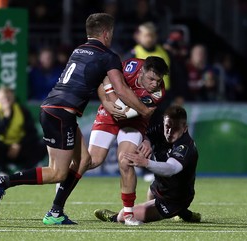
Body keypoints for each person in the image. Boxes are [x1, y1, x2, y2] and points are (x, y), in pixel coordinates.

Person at [0, 13, 155, 224]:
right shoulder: (108, 56)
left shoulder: (79, 50)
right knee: (57, 172)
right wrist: (144, 110)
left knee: (84, 160)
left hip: (54, 108)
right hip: (61, 113)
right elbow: (120, 88)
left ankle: (56, 212)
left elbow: (101, 84)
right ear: (106, 33)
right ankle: (3, 181)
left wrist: (108, 101)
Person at [45, 56, 168, 226]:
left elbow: (130, 113)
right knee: (91, 161)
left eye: (158, 80)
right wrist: (106, 103)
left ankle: (128, 214)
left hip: (134, 121)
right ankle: (62, 186)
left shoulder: (158, 92)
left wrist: (116, 104)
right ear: (142, 71)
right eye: (151, 78)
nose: (154, 84)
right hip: (109, 114)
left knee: (126, 161)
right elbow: (103, 81)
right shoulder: (130, 66)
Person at [94, 105, 201, 224]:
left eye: (175, 129)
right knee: (150, 194)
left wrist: (146, 163)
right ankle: (183, 214)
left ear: (185, 128)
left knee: (122, 217)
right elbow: (147, 135)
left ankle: (114, 217)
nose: (170, 132)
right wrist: (147, 141)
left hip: (175, 199)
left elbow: (171, 168)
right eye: (167, 127)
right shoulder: (161, 131)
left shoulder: (185, 146)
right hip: (159, 187)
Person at [0, 86, 47, 174]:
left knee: (43, 143)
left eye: (8, 98)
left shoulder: (22, 111)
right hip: (3, 148)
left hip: (19, 147)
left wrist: (19, 144)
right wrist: (6, 116)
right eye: (3, 98)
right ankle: (3, 170)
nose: (6, 100)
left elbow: (32, 133)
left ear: (13, 97)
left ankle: (25, 170)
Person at [124, 22, 171, 91]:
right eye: (146, 36)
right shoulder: (133, 54)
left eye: (152, 36)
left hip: (165, 94)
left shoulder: (165, 52)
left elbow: (175, 73)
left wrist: (178, 95)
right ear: (138, 37)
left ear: (156, 36)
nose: (149, 39)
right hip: (142, 94)